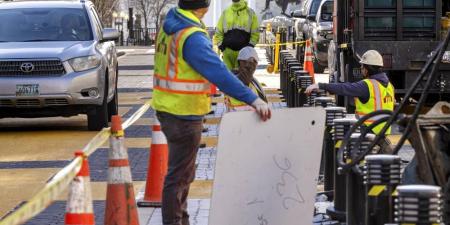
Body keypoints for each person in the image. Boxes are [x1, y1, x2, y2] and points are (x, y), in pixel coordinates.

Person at [151, 1, 271, 225]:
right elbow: (218, 73)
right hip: (183, 112)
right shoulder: (191, 35)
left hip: (168, 107)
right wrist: (252, 98)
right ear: (204, 8)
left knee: (182, 175)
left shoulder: (172, 22)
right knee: (178, 177)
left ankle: (181, 220)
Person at [305, 50, 395, 136]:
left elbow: (344, 88)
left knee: (338, 132)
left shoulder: (367, 85)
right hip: (384, 130)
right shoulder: (390, 86)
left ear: (368, 69)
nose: (361, 68)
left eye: (363, 66)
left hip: (369, 130)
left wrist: (320, 86)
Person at [214, 0, 259, 70]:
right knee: (228, 78)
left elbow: (255, 33)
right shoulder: (226, 12)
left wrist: (249, 47)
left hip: (243, 54)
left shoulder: (250, 13)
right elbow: (219, 31)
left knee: (240, 78)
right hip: (228, 53)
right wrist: (221, 46)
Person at [225, 46, 267, 111]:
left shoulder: (255, 83)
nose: (250, 66)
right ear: (240, 63)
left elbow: (264, 103)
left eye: (254, 63)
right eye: (246, 63)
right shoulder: (232, 85)